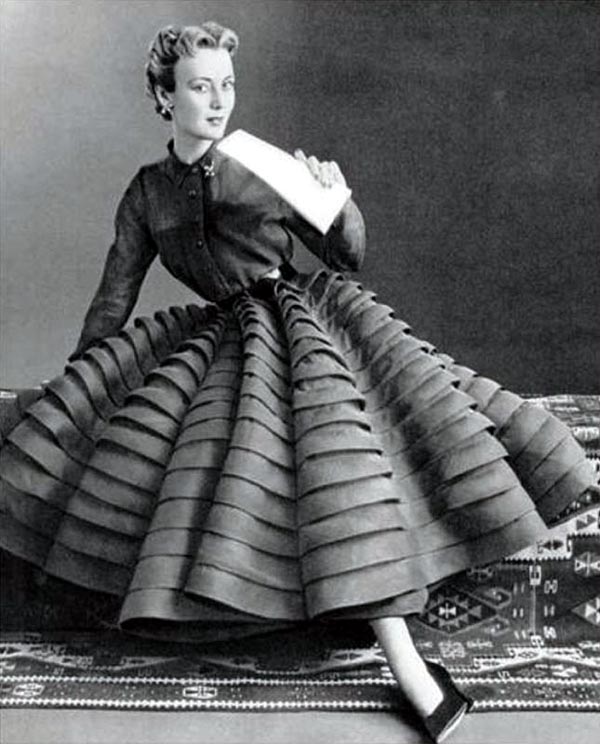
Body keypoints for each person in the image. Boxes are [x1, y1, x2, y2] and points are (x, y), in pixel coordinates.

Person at [0, 22, 596, 743]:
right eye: (199, 87)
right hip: (223, 335)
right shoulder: (147, 193)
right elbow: (114, 295)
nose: (217, 101)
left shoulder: (258, 163)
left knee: (338, 455)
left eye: (226, 85)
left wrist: (337, 201)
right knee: (175, 451)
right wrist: (81, 381)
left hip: (302, 322)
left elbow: (346, 253)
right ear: (164, 98)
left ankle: (411, 672)